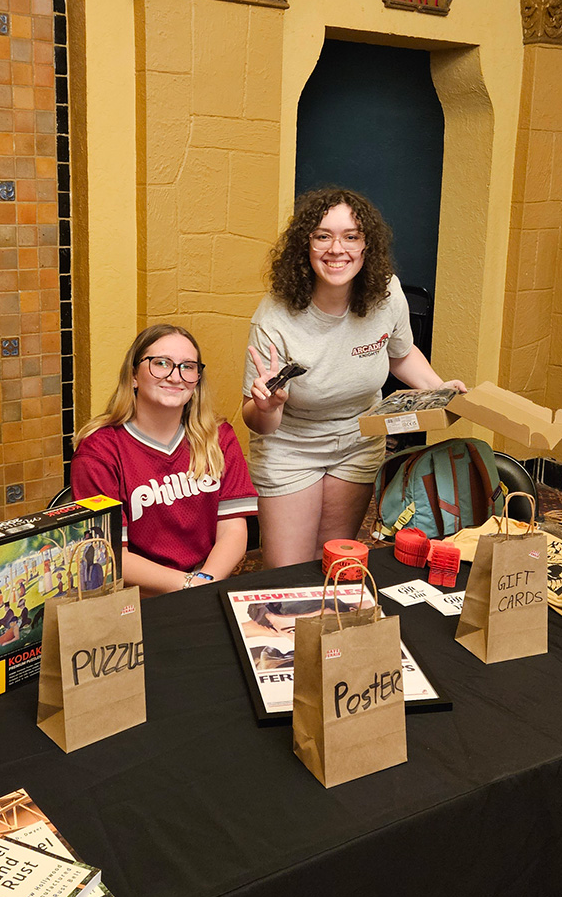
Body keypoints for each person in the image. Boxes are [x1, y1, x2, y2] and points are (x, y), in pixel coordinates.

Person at [242, 188, 466, 567]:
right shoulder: (274, 319)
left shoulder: (387, 292)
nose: (337, 249)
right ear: (305, 245)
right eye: (322, 236)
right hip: (291, 445)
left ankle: (329, 627)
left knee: (334, 560)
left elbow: (401, 354)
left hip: (358, 438)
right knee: (287, 571)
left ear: (366, 246)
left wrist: (437, 389)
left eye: (351, 236)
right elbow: (258, 420)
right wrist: (268, 406)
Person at [71, 324, 258, 594]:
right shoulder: (99, 451)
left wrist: (203, 583)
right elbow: (110, 553)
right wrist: (187, 586)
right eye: (161, 363)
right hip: (136, 596)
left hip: (207, 583)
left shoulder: (218, 437)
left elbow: (233, 531)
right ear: (133, 375)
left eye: (188, 367)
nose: (175, 376)